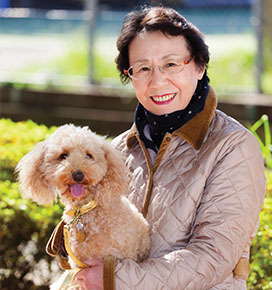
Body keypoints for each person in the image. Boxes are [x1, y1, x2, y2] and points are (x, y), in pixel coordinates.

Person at [50, 6, 266, 290]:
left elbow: (212, 257)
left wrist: (114, 277)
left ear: (199, 67)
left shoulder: (233, 147)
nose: (157, 80)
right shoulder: (117, 151)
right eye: (143, 68)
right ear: (130, 76)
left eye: (171, 64)